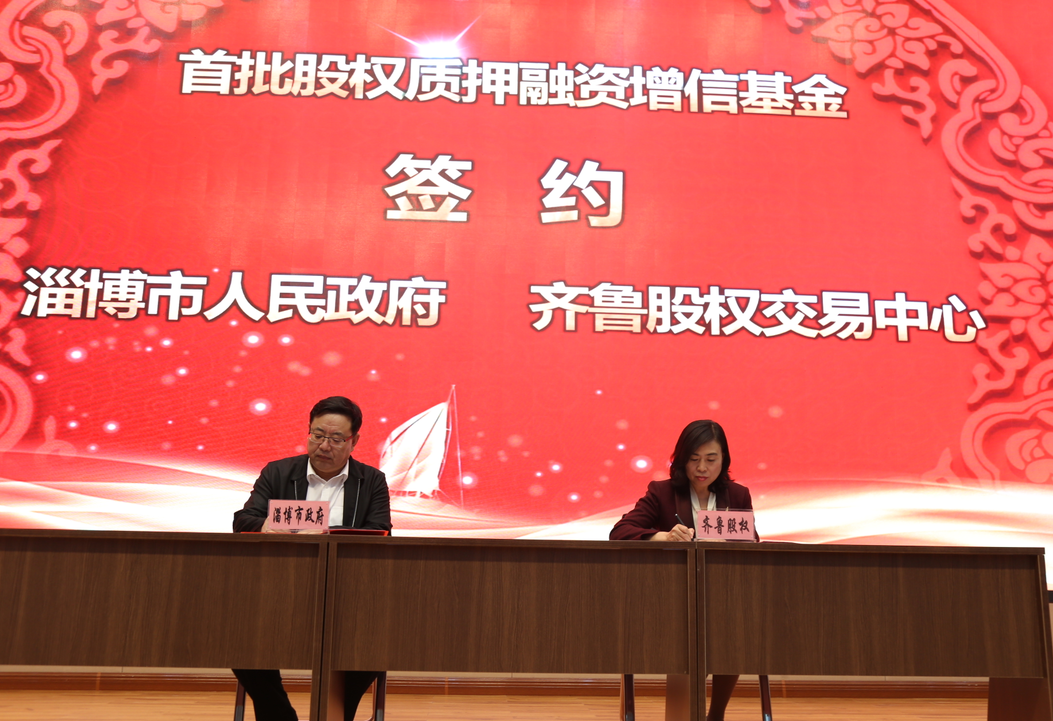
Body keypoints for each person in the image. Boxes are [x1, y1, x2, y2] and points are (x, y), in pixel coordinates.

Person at [232, 395, 391, 721]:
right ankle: (279, 716)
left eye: (336, 439)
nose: (324, 446)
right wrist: (266, 526)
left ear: (354, 441)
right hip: (277, 590)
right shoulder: (278, 472)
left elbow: (380, 531)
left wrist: (324, 532)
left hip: (348, 596)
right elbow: (244, 520)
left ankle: (335, 715)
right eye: (317, 435)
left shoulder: (372, 480)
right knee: (238, 637)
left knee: (377, 641)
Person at [610, 419, 755, 721]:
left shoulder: (737, 495)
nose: (702, 468)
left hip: (722, 596)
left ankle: (716, 714)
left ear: (724, 459)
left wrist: (733, 541)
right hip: (670, 599)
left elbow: (750, 543)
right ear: (681, 459)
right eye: (694, 459)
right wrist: (662, 536)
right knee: (704, 629)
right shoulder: (662, 492)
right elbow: (620, 531)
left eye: (711, 459)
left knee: (736, 628)